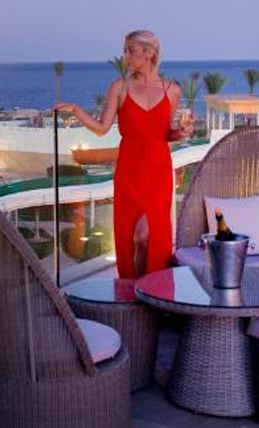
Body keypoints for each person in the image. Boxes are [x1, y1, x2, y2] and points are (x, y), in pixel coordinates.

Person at [50, 30, 192, 278]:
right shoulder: (120, 87)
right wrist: (76, 110)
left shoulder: (172, 90)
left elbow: (166, 134)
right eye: (125, 50)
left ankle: (152, 290)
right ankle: (133, 289)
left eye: (130, 51)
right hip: (129, 170)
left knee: (149, 236)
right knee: (132, 237)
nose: (125, 56)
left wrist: (181, 132)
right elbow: (102, 128)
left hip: (158, 171)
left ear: (149, 53)